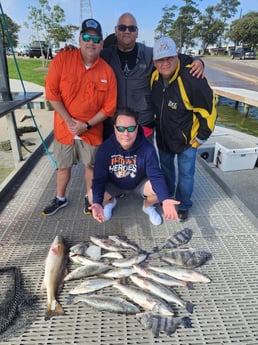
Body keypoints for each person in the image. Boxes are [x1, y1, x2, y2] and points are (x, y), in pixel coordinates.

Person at [42, 18, 117, 216]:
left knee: (90, 167)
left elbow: (109, 107)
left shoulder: (107, 72)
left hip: (91, 131)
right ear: (79, 39)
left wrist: (86, 125)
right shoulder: (62, 59)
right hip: (64, 129)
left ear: (101, 43)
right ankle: (60, 198)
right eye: (86, 37)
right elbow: (51, 94)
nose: (91, 42)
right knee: (63, 167)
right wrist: (69, 121)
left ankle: (89, 198)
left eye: (95, 38)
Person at [100, 12, 205, 141]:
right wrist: (69, 50)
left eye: (131, 28)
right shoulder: (104, 56)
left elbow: (174, 58)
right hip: (115, 125)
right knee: (115, 161)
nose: (127, 31)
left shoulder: (149, 54)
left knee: (145, 160)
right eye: (122, 27)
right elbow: (85, 57)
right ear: (116, 30)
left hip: (143, 123)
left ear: (137, 32)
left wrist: (197, 60)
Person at [151, 36, 217, 221]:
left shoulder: (193, 79)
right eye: (160, 59)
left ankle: (184, 204)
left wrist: (200, 140)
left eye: (169, 58)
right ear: (154, 62)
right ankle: (167, 197)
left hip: (187, 141)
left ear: (177, 56)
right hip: (163, 138)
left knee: (186, 174)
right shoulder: (154, 76)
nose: (165, 63)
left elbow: (210, 112)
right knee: (166, 170)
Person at [88, 107, 180, 225]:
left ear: (137, 128)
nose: (126, 134)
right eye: (121, 129)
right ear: (115, 128)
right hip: (114, 184)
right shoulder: (105, 149)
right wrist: (97, 203)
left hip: (139, 183)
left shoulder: (147, 148)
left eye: (131, 128)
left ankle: (147, 206)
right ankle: (110, 202)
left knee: (160, 189)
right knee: (92, 197)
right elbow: (99, 179)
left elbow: (156, 176)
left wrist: (165, 200)